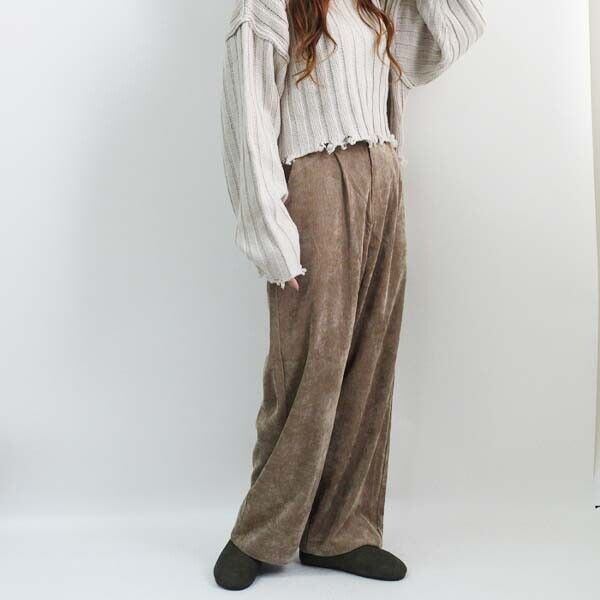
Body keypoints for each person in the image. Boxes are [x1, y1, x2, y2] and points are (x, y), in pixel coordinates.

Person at [215, 0, 485, 590]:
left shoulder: (375, 5)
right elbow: (248, 118)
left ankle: (341, 532)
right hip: (315, 179)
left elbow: (456, 32)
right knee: (308, 366)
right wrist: (269, 235)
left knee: (370, 363)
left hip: (384, 175)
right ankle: (259, 533)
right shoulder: (266, 5)